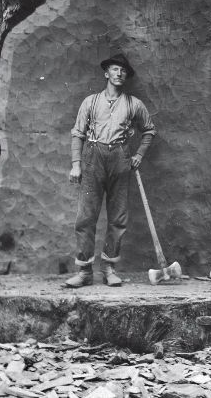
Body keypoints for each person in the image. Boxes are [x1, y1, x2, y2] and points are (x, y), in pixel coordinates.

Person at [65, 53, 156, 288]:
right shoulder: (90, 102)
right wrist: (76, 165)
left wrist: (138, 156)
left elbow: (149, 130)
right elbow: (78, 133)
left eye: (123, 71)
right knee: (86, 216)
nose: (119, 73)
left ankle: (109, 268)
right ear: (106, 73)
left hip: (120, 158)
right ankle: (84, 271)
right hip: (93, 157)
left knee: (118, 217)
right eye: (115, 69)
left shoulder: (133, 104)